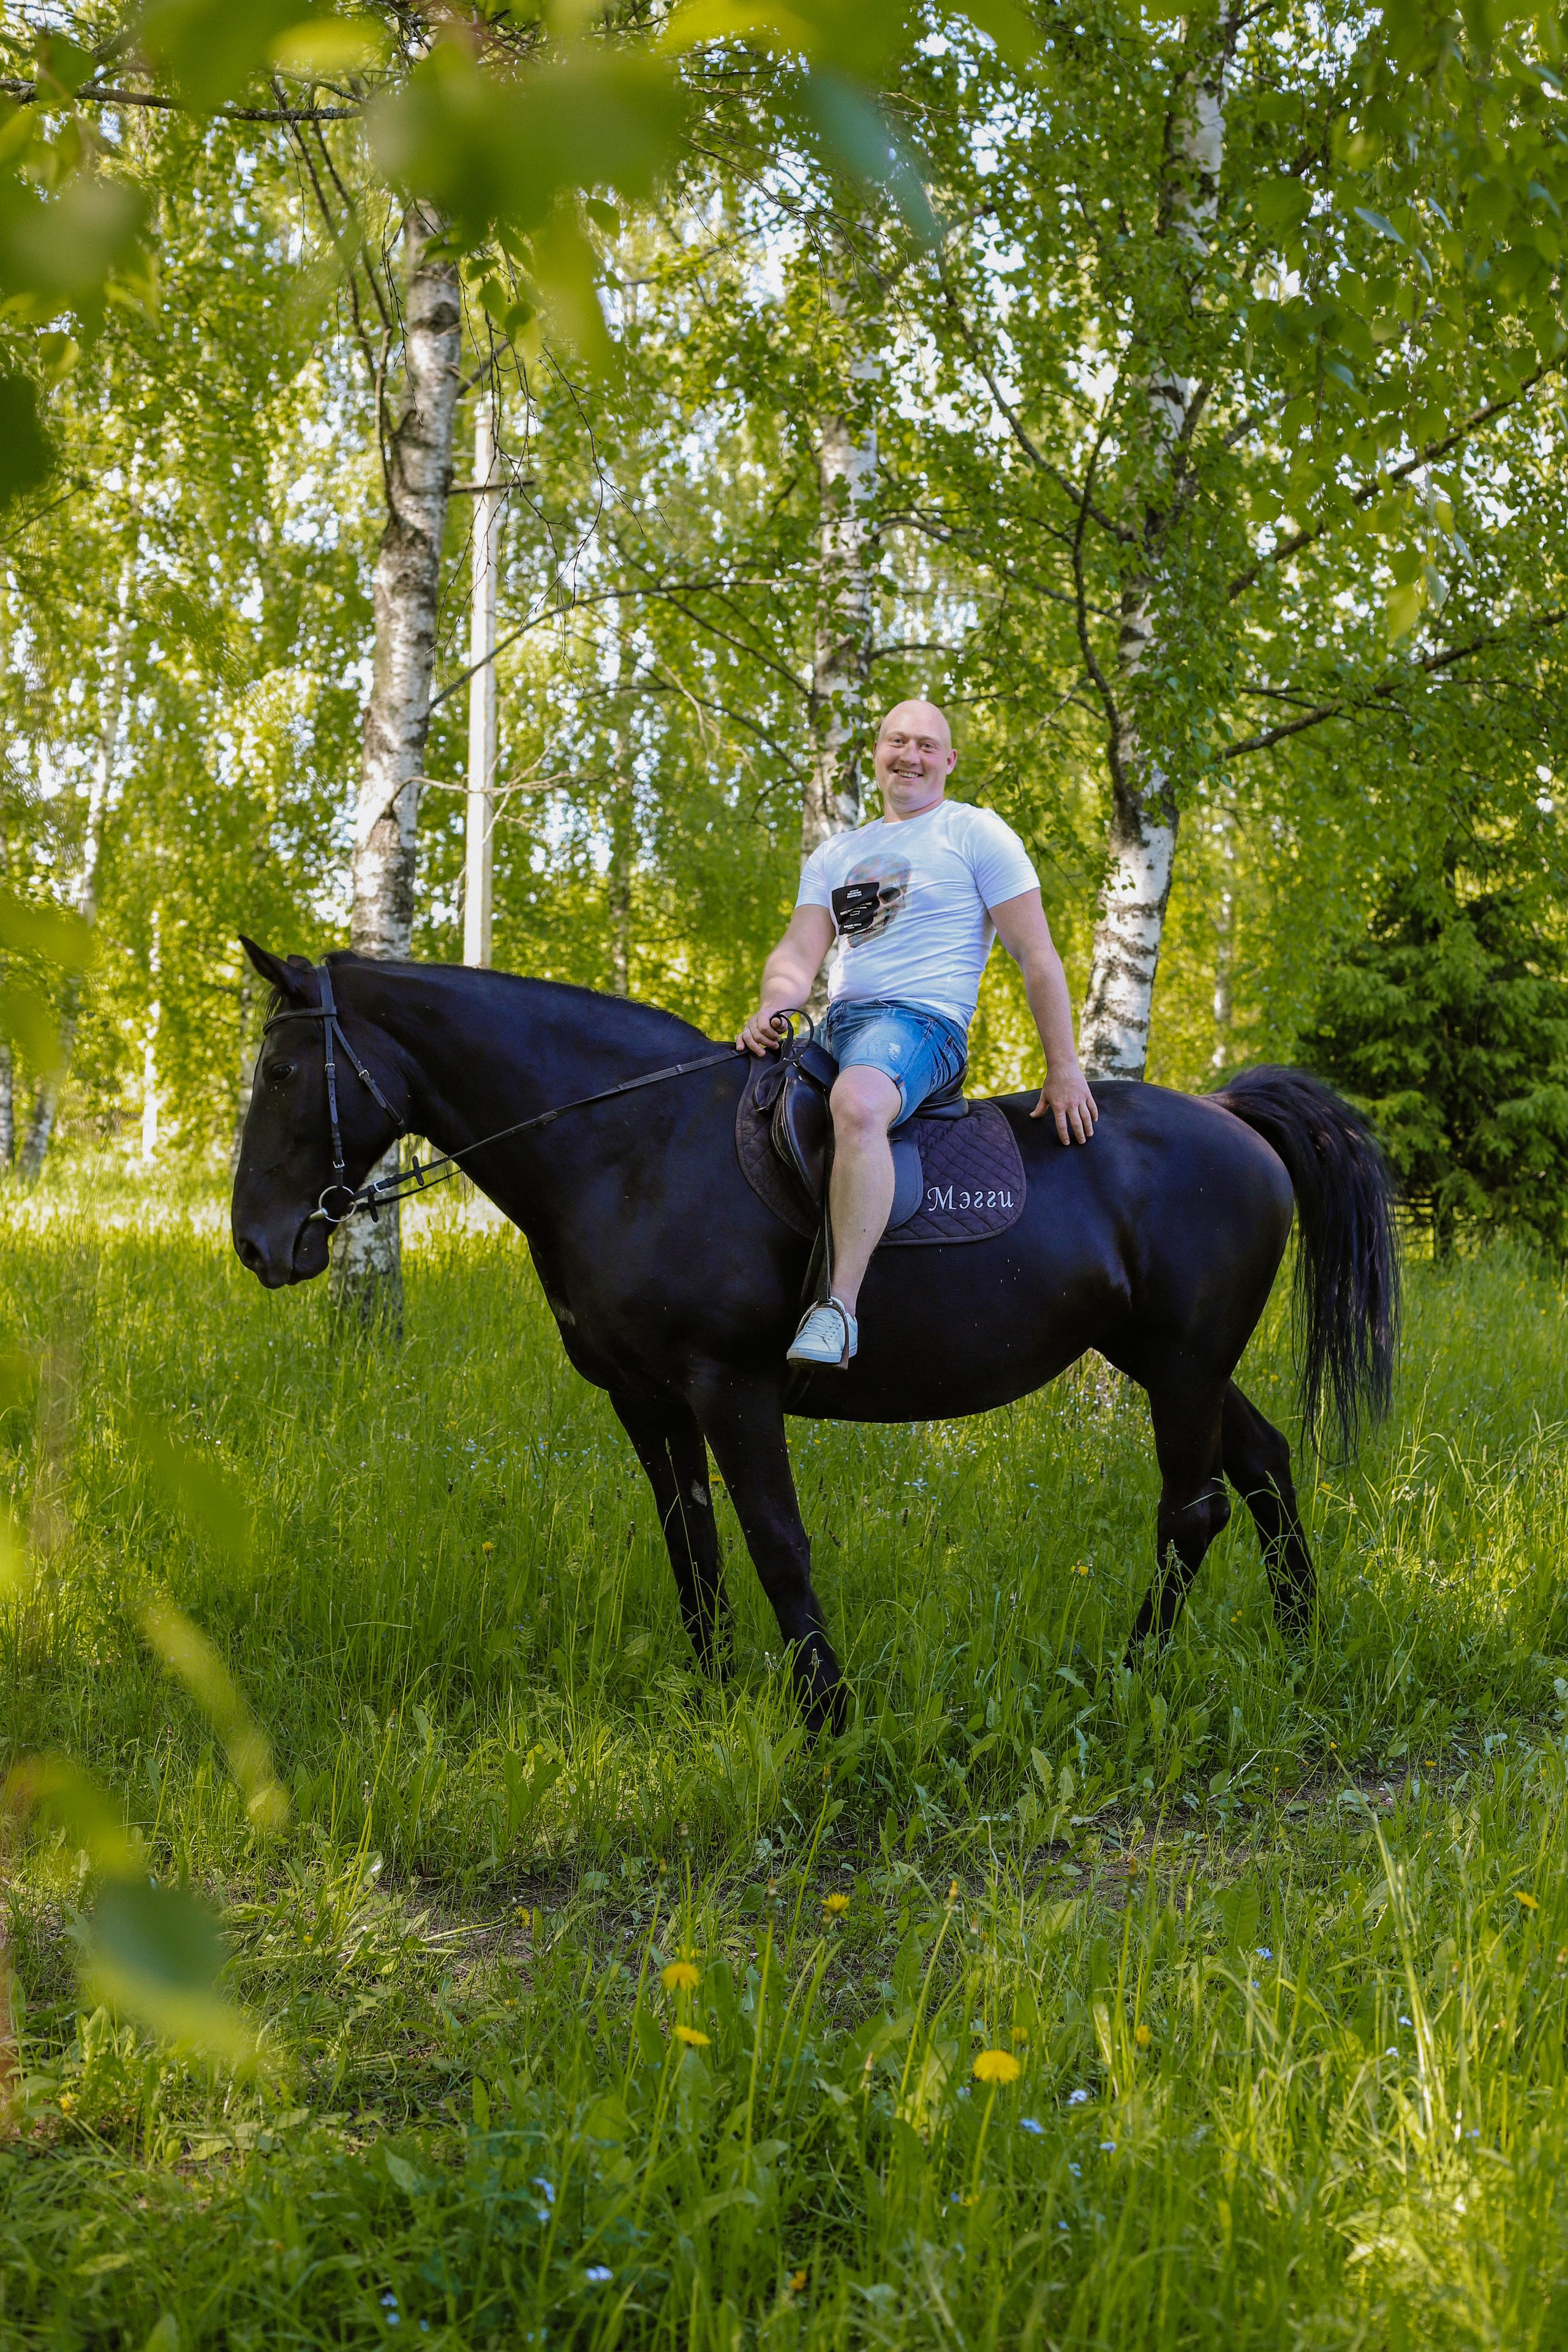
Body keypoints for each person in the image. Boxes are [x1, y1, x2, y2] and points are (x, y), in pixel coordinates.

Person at [737, 698, 1098, 1368]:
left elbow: (1037, 955)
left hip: (921, 1022)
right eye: (897, 741)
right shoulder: (835, 853)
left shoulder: (975, 833)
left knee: (860, 1103)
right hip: (836, 1026)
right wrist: (774, 1006)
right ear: (875, 753)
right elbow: (798, 951)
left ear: (949, 761)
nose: (911, 755)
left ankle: (837, 1312)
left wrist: (1064, 1066)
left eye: (927, 745)